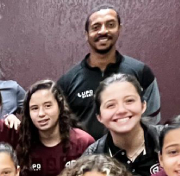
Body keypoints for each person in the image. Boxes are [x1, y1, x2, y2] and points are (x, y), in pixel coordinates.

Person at [57, 5, 161, 139]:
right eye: (96, 27)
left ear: (119, 29)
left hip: (133, 158)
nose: (103, 31)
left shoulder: (141, 73)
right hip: (85, 158)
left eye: (110, 25)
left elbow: (153, 124)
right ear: (86, 34)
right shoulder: (68, 81)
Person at [17, 79, 95, 176]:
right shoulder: (23, 147)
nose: (41, 113)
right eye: (34, 108)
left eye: (48, 106)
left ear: (60, 106)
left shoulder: (84, 142)